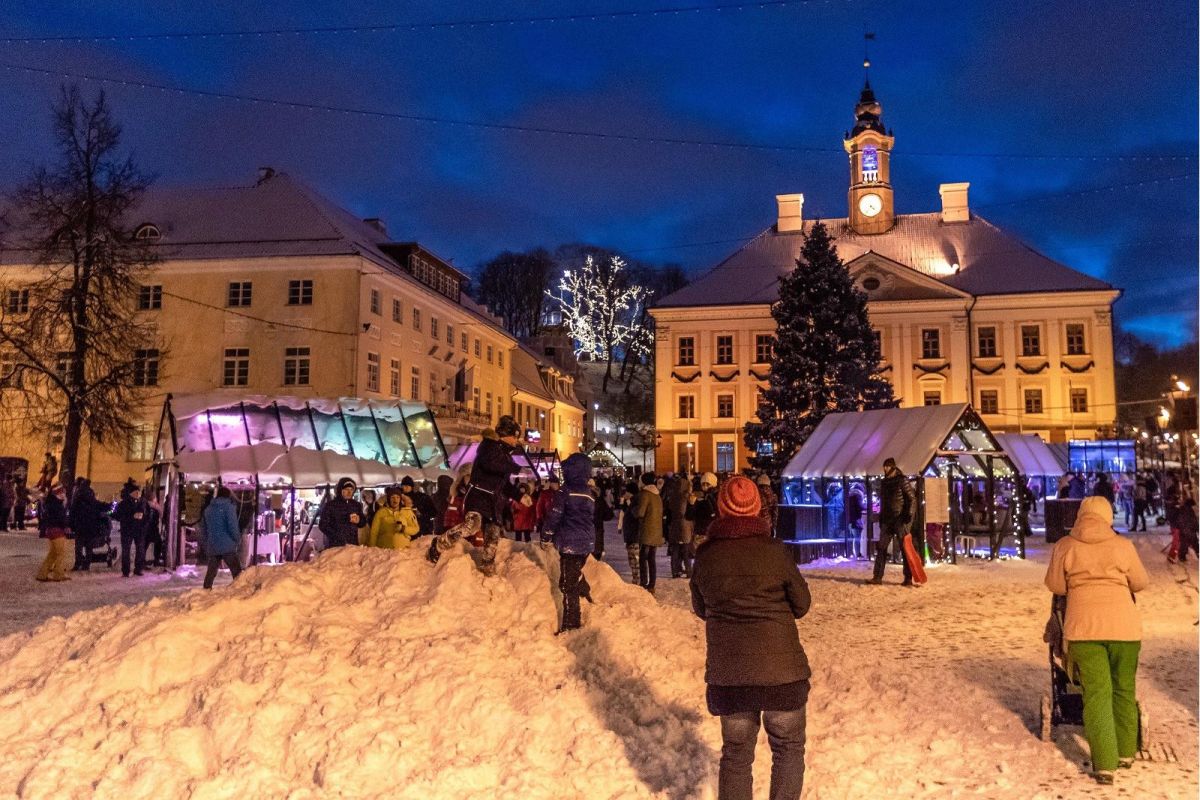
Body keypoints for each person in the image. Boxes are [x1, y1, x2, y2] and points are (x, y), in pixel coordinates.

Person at [690, 475, 812, 800]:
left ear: (721, 509)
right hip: (782, 674)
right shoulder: (776, 552)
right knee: (788, 749)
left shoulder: (706, 555)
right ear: (757, 508)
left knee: (736, 754)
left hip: (731, 676)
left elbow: (701, 608)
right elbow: (802, 604)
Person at [1044, 496, 1149, 785]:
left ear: (1080, 515)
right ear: (1108, 516)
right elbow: (1141, 582)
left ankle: (1104, 764)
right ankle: (1125, 752)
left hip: (1084, 630)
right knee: (1123, 688)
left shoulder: (1066, 545)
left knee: (1096, 694)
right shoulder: (1122, 545)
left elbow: (1055, 585)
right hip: (1125, 629)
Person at [430, 415, 523, 575]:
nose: (516, 441)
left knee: (493, 535)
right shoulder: (489, 447)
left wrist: (519, 496)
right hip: (479, 498)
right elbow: (491, 464)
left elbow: (504, 485)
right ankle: (440, 543)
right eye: (515, 436)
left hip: (494, 502)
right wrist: (515, 467)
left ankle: (487, 567)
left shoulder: (506, 456)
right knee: (472, 525)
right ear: (506, 435)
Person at [542, 453, 596, 634]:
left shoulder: (564, 491)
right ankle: (584, 590)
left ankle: (571, 624)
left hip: (570, 543)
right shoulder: (588, 493)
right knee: (574, 573)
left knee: (567, 585)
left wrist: (546, 536)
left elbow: (554, 516)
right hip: (586, 542)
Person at [870, 457, 916, 586]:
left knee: (904, 549)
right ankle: (877, 577)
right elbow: (884, 502)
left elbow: (912, 499)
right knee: (881, 548)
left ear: (893, 467)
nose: (885, 469)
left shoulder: (902, 480)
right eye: (884, 466)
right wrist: (881, 517)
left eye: (887, 466)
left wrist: (908, 515)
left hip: (900, 519)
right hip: (887, 520)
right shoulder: (885, 482)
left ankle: (908, 578)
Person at [202, 486, 244, 589]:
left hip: (213, 544)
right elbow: (232, 526)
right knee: (237, 571)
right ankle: (241, 590)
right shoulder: (228, 507)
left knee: (211, 572)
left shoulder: (208, 509)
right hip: (227, 545)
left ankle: (206, 590)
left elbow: (204, 529)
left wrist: (207, 542)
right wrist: (237, 538)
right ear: (228, 495)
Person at [35, 484, 72, 583]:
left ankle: (42, 574)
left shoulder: (51, 503)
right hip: (57, 531)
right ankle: (58, 575)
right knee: (61, 554)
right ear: (58, 493)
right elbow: (60, 518)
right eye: (63, 492)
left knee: (53, 554)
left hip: (51, 530)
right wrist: (66, 526)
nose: (64, 494)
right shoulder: (57, 505)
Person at [113, 484, 151, 577]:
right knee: (126, 550)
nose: (138, 494)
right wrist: (131, 516)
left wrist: (144, 520)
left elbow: (148, 515)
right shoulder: (124, 503)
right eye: (136, 492)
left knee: (140, 549)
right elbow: (118, 515)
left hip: (140, 529)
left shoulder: (143, 502)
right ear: (131, 493)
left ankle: (138, 569)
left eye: (139, 492)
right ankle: (126, 571)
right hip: (127, 529)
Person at [635, 472, 664, 594]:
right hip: (657, 531)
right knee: (652, 558)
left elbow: (640, 512)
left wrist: (632, 509)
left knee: (643, 557)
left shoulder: (645, 494)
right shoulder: (657, 495)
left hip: (647, 530)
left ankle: (643, 582)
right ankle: (652, 584)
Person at [319, 477, 364, 549]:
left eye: (351, 489)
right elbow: (323, 525)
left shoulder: (356, 505)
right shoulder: (330, 505)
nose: (349, 492)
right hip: (336, 545)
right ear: (340, 490)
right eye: (346, 489)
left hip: (353, 545)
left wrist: (359, 521)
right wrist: (337, 535)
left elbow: (363, 523)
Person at [665, 473, 693, 578]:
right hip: (685, 526)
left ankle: (675, 571)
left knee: (675, 550)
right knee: (686, 550)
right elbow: (688, 512)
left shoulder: (672, 496)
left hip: (674, 525)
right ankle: (689, 571)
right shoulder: (687, 497)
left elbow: (668, 512)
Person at [617, 480, 641, 581]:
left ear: (631, 492)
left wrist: (628, 503)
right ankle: (635, 578)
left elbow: (634, 516)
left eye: (627, 491)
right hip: (630, 535)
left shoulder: (635, 502)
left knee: (635, 559)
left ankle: (637, 579)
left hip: (634, 535)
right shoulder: (629, 502)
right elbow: (623, 514)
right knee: (632, 559)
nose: (625, 493)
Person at [591, 478, 613, 561]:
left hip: (583, 532)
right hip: (597, 530)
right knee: (596, 556)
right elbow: (609, 515)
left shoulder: (581, 500)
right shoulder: (599, 500)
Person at [536, 474, 561, 544]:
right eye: (552, 483)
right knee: (546, 542)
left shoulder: (562, 494)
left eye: (555, 483)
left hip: (559, 522)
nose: (554, 485)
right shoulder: (545, 493)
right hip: (546, 521)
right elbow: (539, 507)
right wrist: (539, 518)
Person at [846, 487, 865, 558]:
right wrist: (867, 506)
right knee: (857, 538)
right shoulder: (857, 496)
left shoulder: (849, 497)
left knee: (851, 537)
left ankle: (850, 552)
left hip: (849, 520)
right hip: (856, 520)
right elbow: (860, 507)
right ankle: (858, 553)